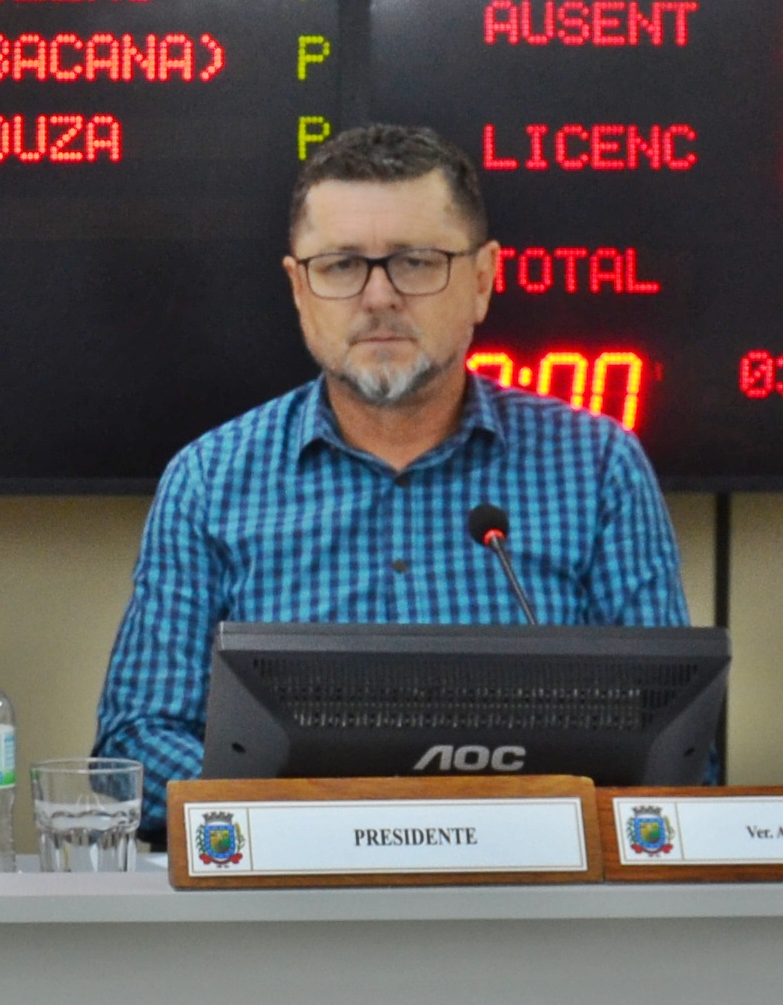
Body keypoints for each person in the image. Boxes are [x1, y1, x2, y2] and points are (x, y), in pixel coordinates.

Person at [93, 124, 690, 836]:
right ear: (299, 289)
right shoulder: (210, 481)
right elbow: (136, 746)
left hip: (528, 889)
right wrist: (328, 822)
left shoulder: (597, 468)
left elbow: (675, 748)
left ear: (482, 280)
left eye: (415, 261)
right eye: (341, 265)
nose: (379, 297)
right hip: (296, 891)